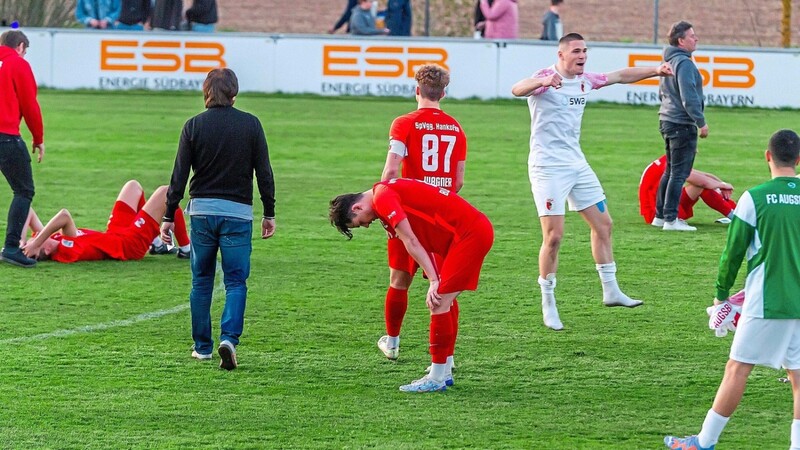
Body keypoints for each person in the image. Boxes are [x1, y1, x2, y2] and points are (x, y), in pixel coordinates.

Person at [511, 33, 673, 331]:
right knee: (554, 237)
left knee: (604, 225)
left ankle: (611, 291)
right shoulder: (545, 78)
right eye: (576, 51)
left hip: (577, 165)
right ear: (561, 55)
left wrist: (656, 69)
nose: (582, 55)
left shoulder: (587, 80)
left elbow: (621, 75)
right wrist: (542, 83)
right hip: (547, 168)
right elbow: (517, 89)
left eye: (585, 50)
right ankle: (548, 302)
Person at [664, 129, 800, 450]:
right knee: (798, 376)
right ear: (798, 160)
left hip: (766, 302)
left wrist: (721, 294)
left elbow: (733, 253)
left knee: (737, 368)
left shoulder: (755, 198)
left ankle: (704, 442)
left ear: (767, 156)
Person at [330, 178, 494, 393]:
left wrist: (434, 280)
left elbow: (411, 240)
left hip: (468, 235)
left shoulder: (383, 197)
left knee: (438, 302)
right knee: (444, 301)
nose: (367, 225)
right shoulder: (385, 192)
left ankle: (436, 378)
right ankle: (443, 370)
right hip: (463, 235)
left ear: (357, 207)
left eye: (360, 222)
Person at [163, 68, 276, 371]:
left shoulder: (193, 126)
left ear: (206, 93)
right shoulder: (251, 125)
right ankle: (229, 338)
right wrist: (269, 212)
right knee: (236, 281)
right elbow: (263, 172)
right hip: (237, 214)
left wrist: (168, 216)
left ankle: (202, 347)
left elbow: (178, 175)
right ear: (234, 93)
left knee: (201, 281)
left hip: (201, 213)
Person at [375, 64, 467, 370]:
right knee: (444, 289)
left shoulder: (404, 123)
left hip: (408, 214)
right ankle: (448, 358)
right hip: (442, 220)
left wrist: (387, 212)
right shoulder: (456, 128)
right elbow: (458, 181)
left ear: (417, 90)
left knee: (399, 280)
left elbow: (390, 172)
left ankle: (392, 342)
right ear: (443, 93)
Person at [21, 180, 175, 263]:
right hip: (129, 246)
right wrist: (35, 244)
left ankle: (155, 241)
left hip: (116, 234)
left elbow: (26, 210)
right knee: (166, 192)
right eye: (35, 239)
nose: (35, 236)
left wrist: (20, 242)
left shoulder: (52, 240)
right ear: (46, 250)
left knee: (133, 186)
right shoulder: (66, 251)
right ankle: (186, 248)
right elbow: (64, 216)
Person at [654, 21, 708, 232]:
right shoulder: (684, 64)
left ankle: (660, 216)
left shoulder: (669, 62)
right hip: (681, 123)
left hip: (666, 119)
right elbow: (689, 96)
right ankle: (671, 219)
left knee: (670, 170)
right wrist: (701, 122)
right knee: (679, 173)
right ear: (681, 41)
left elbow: (662, 93)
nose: (696, 39)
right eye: (692, 36)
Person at [0, 30, 44, 268]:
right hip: (5, 137)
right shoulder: (17, 64)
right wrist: (38, 137)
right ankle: (12, 247)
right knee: (23, 191)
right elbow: (29, 104)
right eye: (25, 51)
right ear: (19, 46)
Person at [639, 155, 737, 226]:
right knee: (700, 186)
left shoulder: (669, 159)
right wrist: (722, 185)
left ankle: (737, 213)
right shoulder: (669, 163)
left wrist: (721, 185)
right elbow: (702, 182)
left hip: (665, 205)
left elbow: (704, 176)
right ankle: (737, 218)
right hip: (658, 213)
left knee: (704, 185)